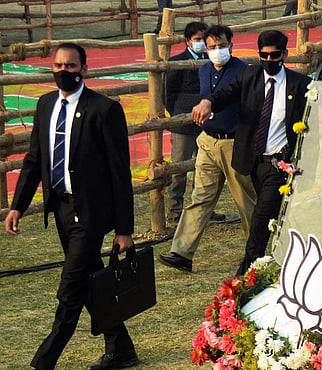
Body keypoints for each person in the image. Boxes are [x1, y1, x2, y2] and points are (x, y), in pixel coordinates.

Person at [5, 43, 139, 370]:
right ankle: (120, 347)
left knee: (70, 289)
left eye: (70, 66)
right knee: (90, 279)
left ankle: (44, 361)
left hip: (91, 212)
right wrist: (17, 206)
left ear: (84, 69)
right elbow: (35, 159)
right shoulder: (45, 104)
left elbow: (119, 172)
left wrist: (124, 230)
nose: (63, 71)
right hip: (61, 208)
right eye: (58, 65)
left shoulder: (104, 110)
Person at [192, 30, 311, 274]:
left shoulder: (299, 85)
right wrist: (208, 102)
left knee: (260, 219)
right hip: (253, 161)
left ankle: (246, 273)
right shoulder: (250, 75)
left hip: (279, 164)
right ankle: (282, 262)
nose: (268, 60)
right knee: (270, 216)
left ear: (284, 54)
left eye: (274, 55)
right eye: (263, 55)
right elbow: (226, 94)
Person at [158, 25, 257, 273]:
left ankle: (257, 253)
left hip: (233, 143)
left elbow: (228, 96)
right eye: (212, 47)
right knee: (200, 198)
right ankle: (182, 252)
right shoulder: (204, 70)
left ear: (231, 45)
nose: (216, 51)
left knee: (245, 201)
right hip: (208, 141)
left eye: (221, 46)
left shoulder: (242, 71)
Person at [165, 21, 208, 226]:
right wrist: (179, 113)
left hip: (207, 121)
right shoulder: (176, 62)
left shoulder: (210, 59)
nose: (201, 43)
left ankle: (201, 209)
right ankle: (174, 212)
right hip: (182, 121)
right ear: (188, 41)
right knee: (179, 168)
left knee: (205, 168)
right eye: (198, 39)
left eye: (203, 39)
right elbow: (167, 94)